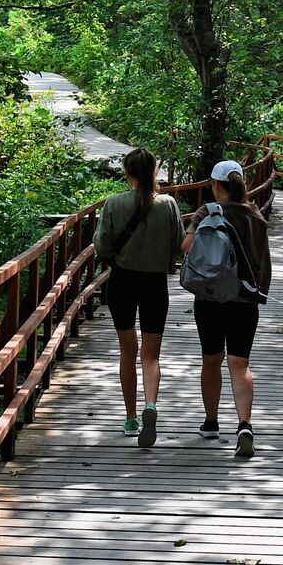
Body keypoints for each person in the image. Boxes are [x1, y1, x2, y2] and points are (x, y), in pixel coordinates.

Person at [181, 158, 271, 459]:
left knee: (211, 359)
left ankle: (211, 422)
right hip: (245, 301)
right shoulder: (256, 215)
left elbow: (186, 248)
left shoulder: (207, 212)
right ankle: (244, 424)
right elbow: (264, 262)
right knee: (239, 364)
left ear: (217, 185)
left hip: (210, 298)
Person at [93, 146, 183, 447]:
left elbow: (102, 246)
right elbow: (176, 246)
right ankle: (151, 405)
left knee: (127, 352)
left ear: (127, 172)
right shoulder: (168, 204)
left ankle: (131, 417)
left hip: (122, 282)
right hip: (155, 283)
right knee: (151, 355)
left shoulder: (114, 203)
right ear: (154, 171)